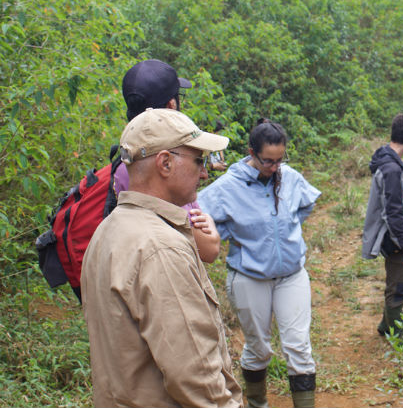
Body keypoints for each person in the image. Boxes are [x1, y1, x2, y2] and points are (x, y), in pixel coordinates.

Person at [81, 108, 242, 407]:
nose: (205, 172)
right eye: (198, 160)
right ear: (165, 163)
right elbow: (194, 374)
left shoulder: (108, 230)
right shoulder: (160, 248)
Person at [198, 119, 321, 408]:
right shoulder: (229, 186)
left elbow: (307, 203)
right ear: (252, 152)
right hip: (250, 276)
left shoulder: (289, 177)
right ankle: (257, 404)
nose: (275, 167)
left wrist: (287, 228)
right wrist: (226, 234)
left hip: (292, 275)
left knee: (299, 348)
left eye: (280, 160)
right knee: (259, 347)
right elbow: (197, 215)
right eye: (268, 161)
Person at [117, 59, 221, 263]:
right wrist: (211, 229)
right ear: (172, 105)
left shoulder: (127, 160)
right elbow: (208, 249)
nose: (203, 173)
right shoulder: (168, 167)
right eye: (198, 162)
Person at [361, 114, 403, 338]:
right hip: (395, 237)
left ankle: (387, 324)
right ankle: (397, 336)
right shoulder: (392, 169)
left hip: (400, 233)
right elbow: (392, 213)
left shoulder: (388, 159)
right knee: (398, 285)